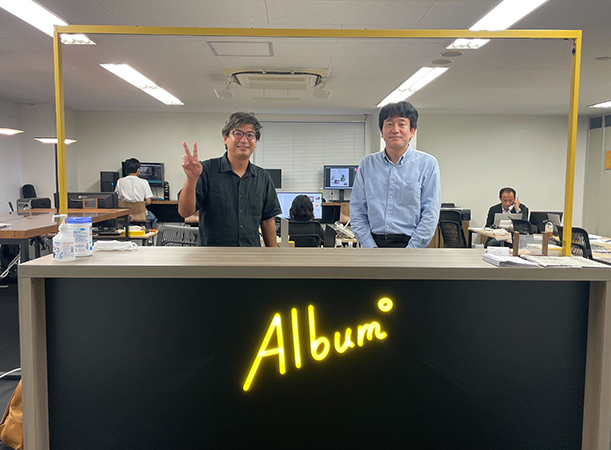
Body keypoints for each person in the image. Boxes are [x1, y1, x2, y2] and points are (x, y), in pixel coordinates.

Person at [178, 112, 281, 247]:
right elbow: (184, 212)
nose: (244, 140)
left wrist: (272, 255)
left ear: (255, 142)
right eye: (238, 133)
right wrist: (191, 179)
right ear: (225, 138)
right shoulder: (206, 170)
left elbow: (267, 220)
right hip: (212, 256)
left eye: (250, 135)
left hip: (250, 255)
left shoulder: (263, 177)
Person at [350, 101, 441, 248]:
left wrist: (412, 249)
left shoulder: (427, 164)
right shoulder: (367, 164)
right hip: (373, 243)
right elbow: (357, 210)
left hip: (412, 244)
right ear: (382, 132)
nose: (395, 130)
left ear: (412, 131)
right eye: (389, 124)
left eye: (402, 124)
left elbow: (430, 213)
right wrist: (369, 247)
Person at [115, 158, 157, 228]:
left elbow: (117, 199)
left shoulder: (120, 181)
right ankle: (148, 232)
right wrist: (139, 205)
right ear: (138, 170)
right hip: (141, 215)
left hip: (125, 215)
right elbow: (148, 201)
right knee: (153, 218)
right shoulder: (144, 182)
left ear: (126, 170)